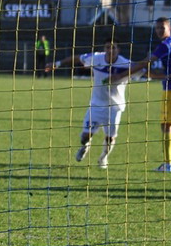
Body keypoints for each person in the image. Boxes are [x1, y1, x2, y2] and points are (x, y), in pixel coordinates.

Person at [45, 41, 144, 169]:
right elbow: (77, 58)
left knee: (110, 138)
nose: (110, 50)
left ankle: (103, 157)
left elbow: (144, 71)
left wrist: (166, 76)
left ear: (118, 50)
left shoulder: (126, 64)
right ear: (104, 48)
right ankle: (85, 146)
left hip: (115, 108)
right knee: (85, 136)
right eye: (107, 47)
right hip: (96, 105)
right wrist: (57, 64)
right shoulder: (96, 58)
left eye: (113, 48)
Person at [112, 17, 171, 172]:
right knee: (169, 125)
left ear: (169, 28)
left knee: (165, 125)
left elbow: (145, 63)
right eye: (157, 28)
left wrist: (121, 75)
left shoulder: (165, 45)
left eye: (162, 27)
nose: (160, 30)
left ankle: (167, 164)